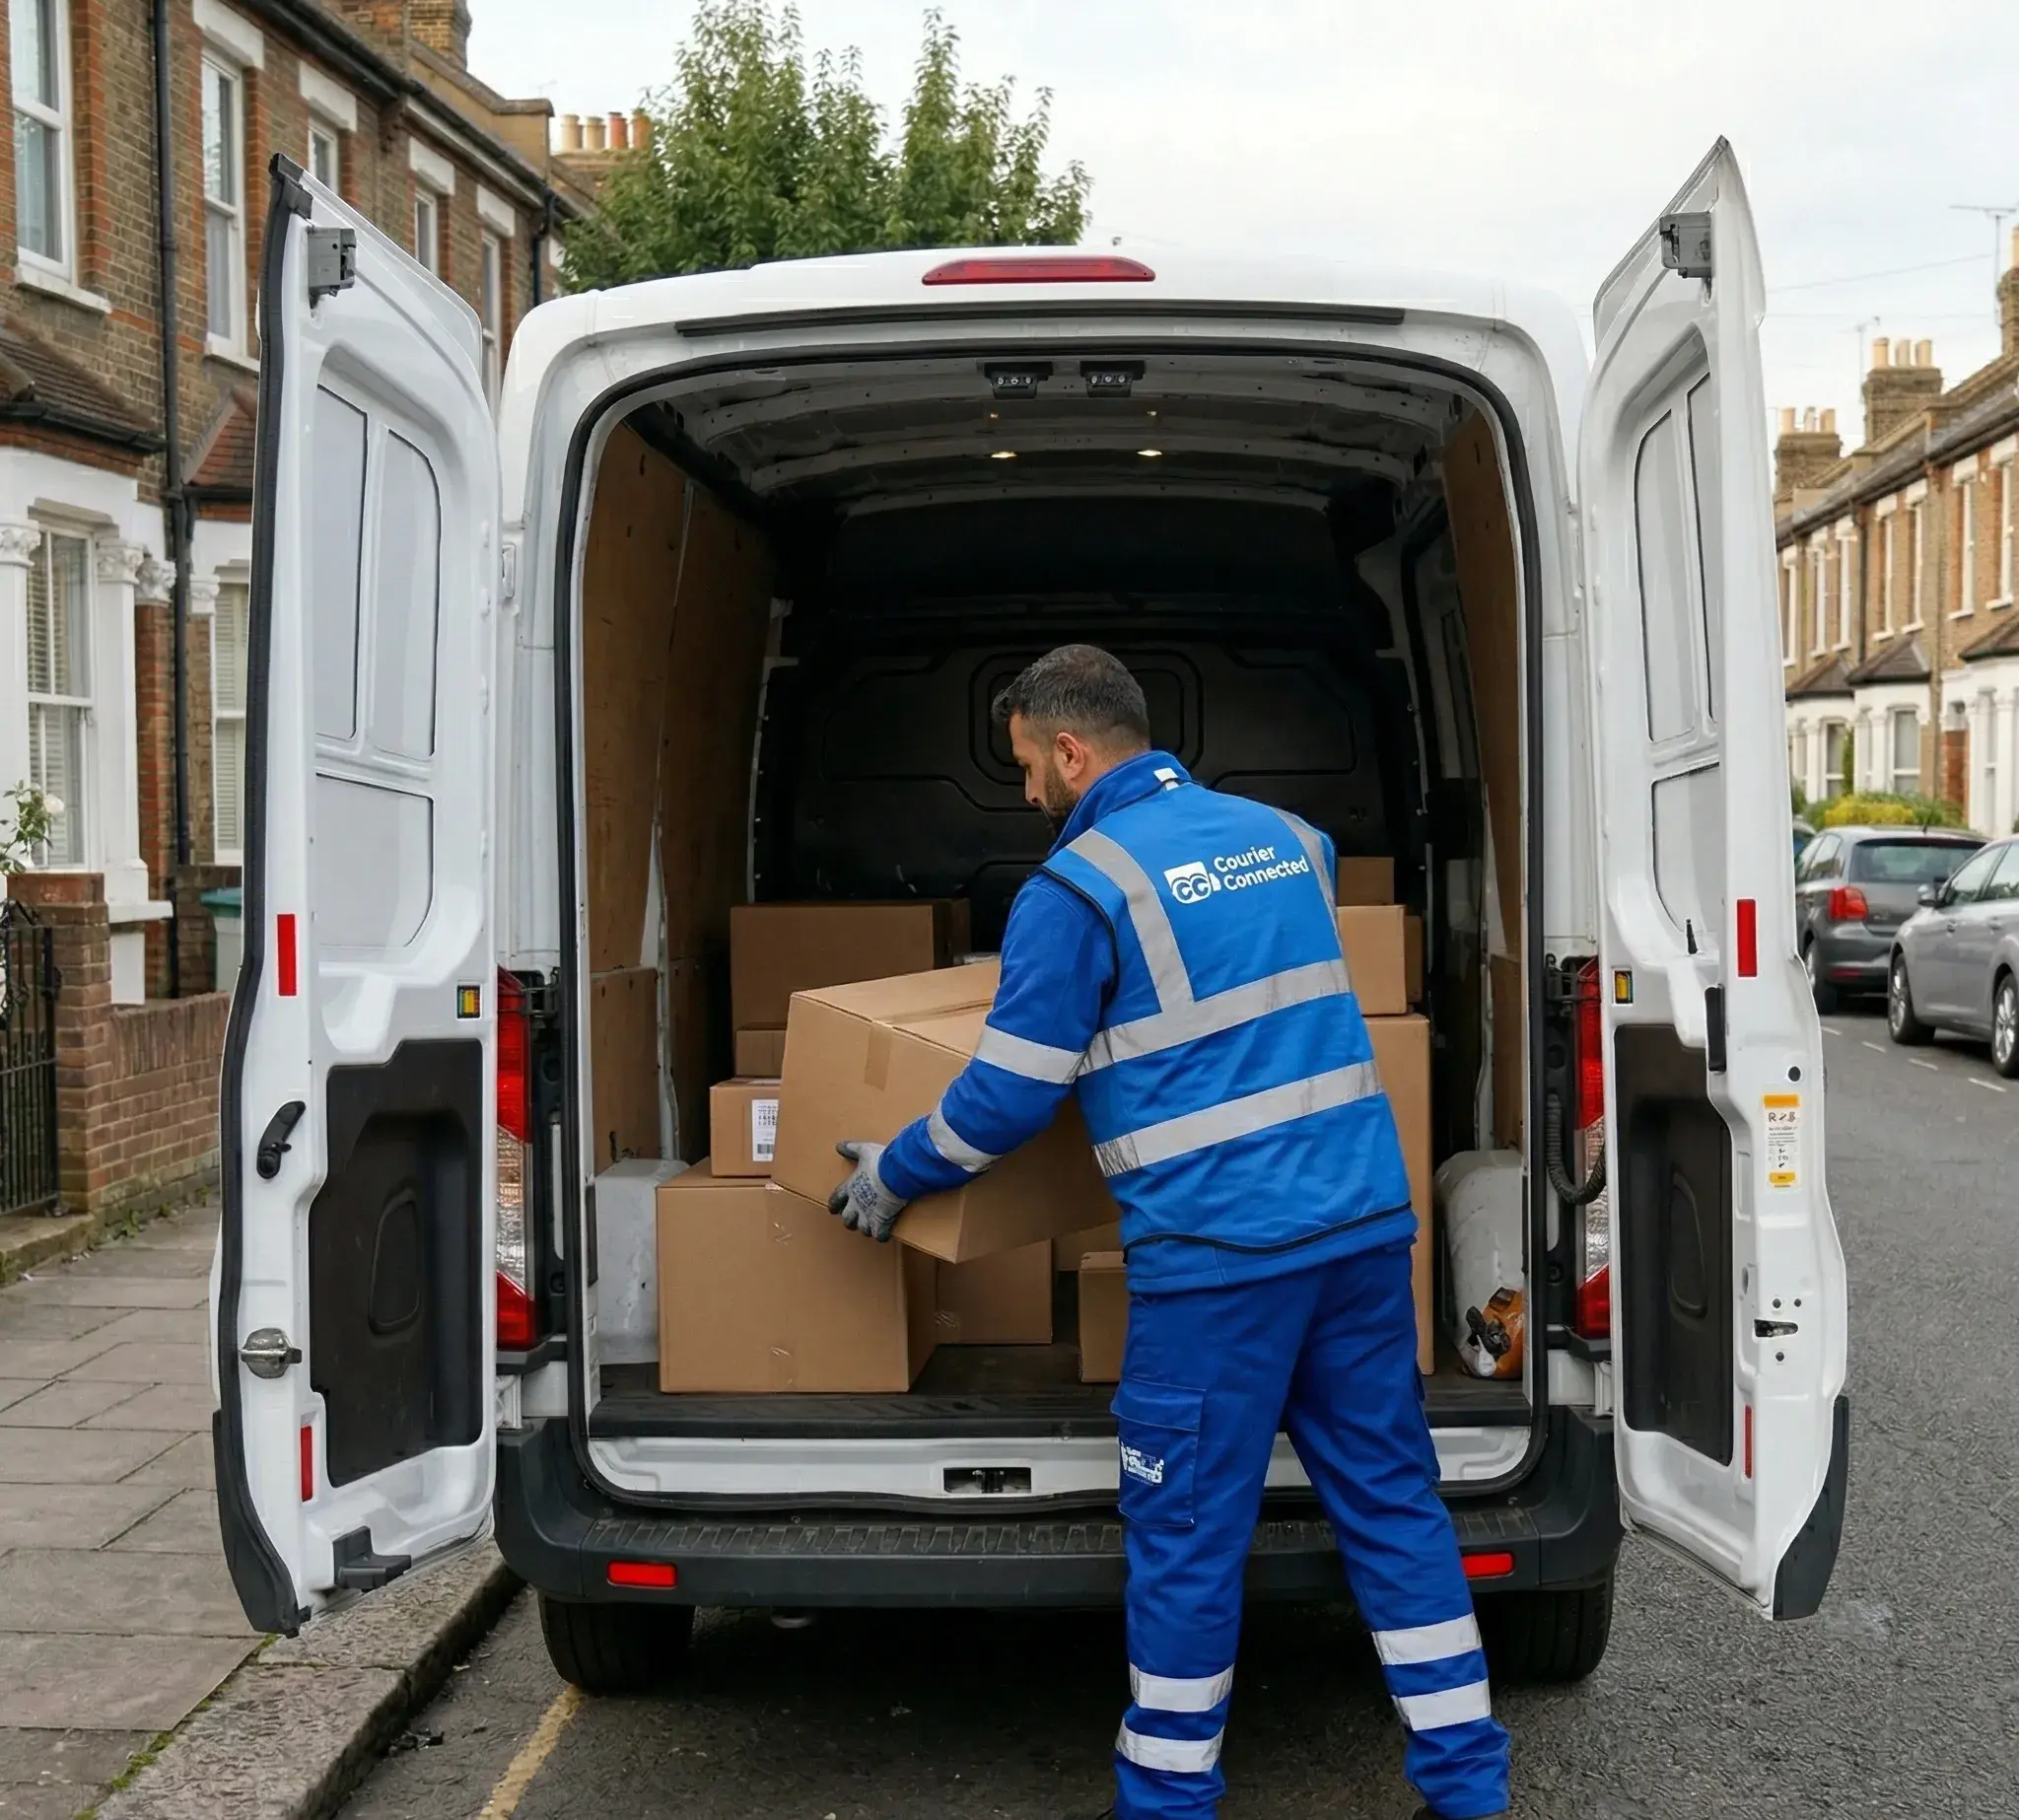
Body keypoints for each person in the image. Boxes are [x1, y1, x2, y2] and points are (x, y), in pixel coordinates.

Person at [828, 644, 1510, 1820]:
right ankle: (1466, 1786)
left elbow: (1007, 1095)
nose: (1027, 793)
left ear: (1072, 747)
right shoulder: (1287, 839)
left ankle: (1165, 1800)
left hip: (1216, 1265)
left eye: (1028, 767)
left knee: (1187, 1537)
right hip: (1355, 1232)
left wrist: (893, 1172)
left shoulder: (1074, 892)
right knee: (1393, 1506)